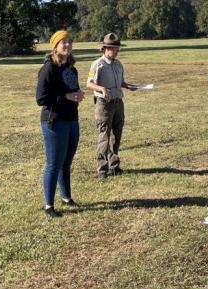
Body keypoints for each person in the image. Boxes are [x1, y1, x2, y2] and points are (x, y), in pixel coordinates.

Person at [36, 30, 84, 218]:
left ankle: (66, 197)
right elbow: (41, 98)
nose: (67, 45)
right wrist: (66, 96)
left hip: (72, 119)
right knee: (54, 163)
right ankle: (49, 206)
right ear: (55, 46)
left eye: (69, 41)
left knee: (67, 161)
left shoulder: (71, 69)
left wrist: (78, 94)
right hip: (54, 121)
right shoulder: (48, 68)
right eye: (63, 42)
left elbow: (73, 90)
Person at [86, 33, 137, 178]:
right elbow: (89, 83)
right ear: (105, 48)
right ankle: (102, 169)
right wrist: (101, 89)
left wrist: (128, 86)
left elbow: (121, 82)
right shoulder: (98, 64)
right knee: (104, 136)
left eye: (117, 49)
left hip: (118, 103)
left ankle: (114, 166)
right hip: (104, 105)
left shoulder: (118, 64)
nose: (115, 51)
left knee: (117, 136)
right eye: (112, 49)